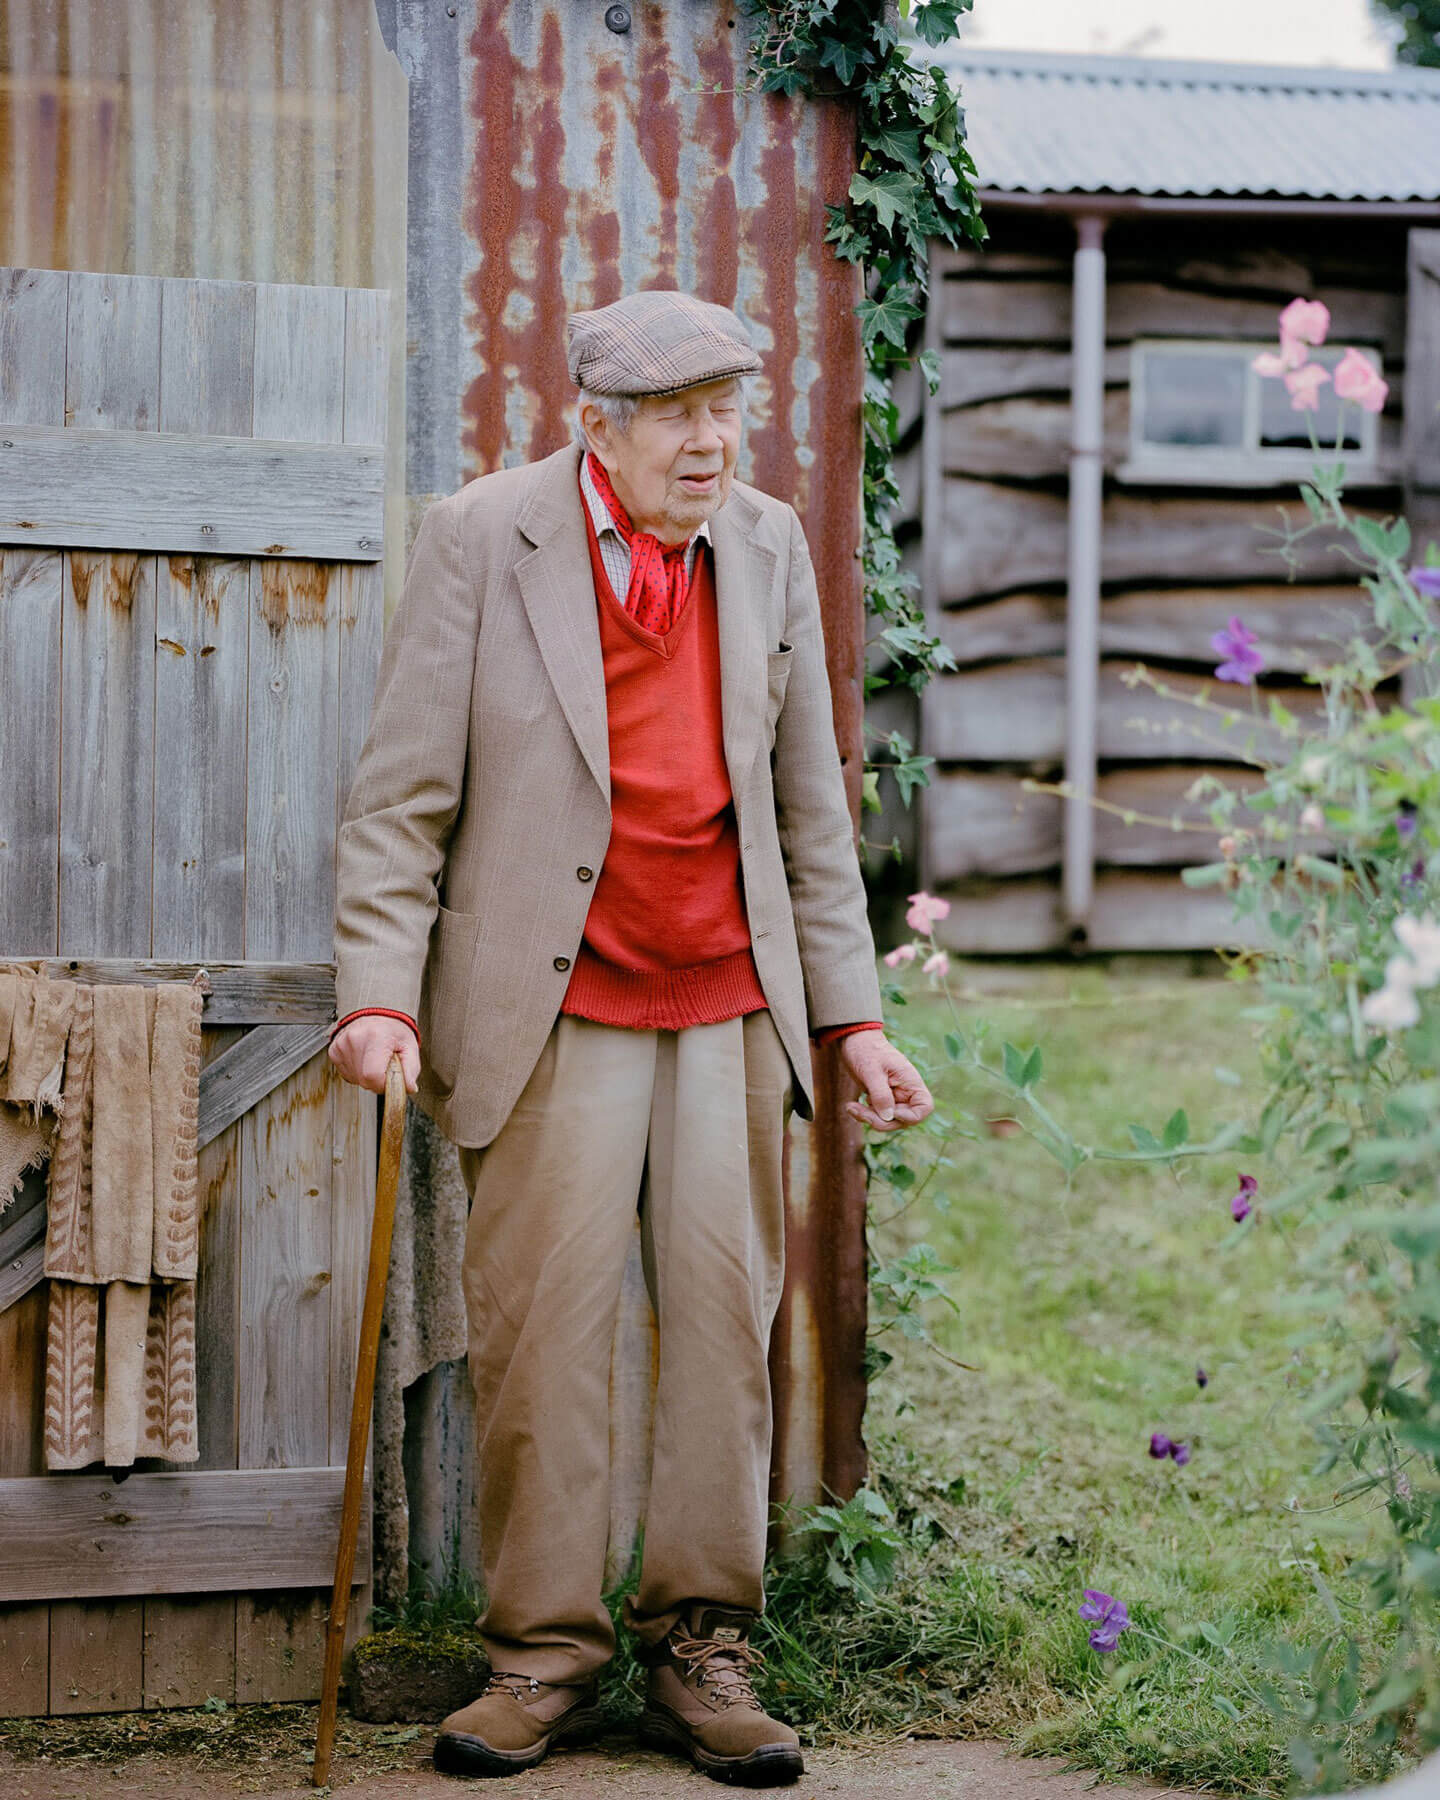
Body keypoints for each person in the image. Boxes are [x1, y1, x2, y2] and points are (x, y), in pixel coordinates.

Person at [329, 290, 933, 1785]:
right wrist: (377, 992)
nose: (713, 441)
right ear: (593, 422)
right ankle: (540, 1658)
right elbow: (402, 799)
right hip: (554, 1006)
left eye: (729, 408)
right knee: (542, 1341)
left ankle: (704, 1652)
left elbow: (811, 811)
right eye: (678, 413)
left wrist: (852, 1020)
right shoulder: (486, 535)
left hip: (731, 1006)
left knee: (726, 1339)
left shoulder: (769, 543)